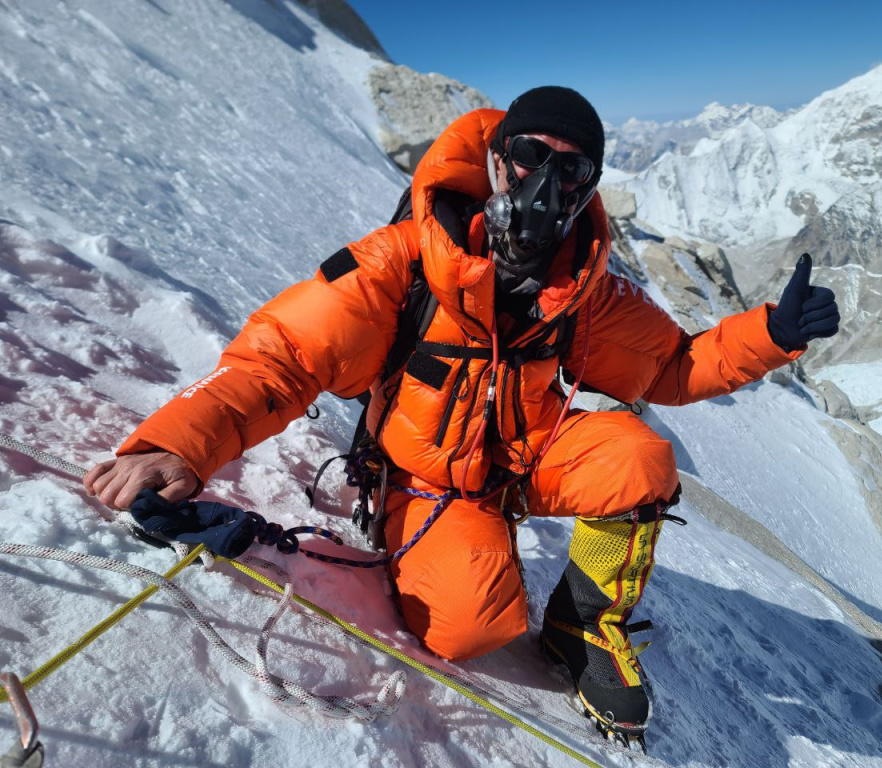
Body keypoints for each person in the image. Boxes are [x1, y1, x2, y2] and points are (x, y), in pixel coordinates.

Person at [84, 86, 839, 742]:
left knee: (640, 458)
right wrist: (179, 445)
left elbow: (671, 366)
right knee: (475, 624)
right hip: (425, 479)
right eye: (530, 154)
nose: (546, 183)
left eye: (571, 169)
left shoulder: (586, 292)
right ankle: (447, 542)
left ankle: (583, 624)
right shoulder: (402, 260)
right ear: (496, 158)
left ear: (590, 188)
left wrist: (770, 335)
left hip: (523, 459)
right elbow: (282, 357)